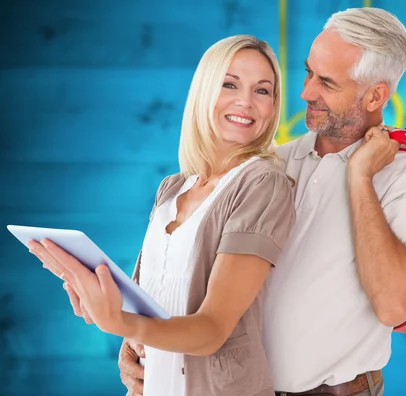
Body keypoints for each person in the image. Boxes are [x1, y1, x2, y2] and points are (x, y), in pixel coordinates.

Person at [119, 8, 406, 396]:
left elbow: (394, 306)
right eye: (308, 72)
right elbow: (193, 280)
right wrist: (146, 347)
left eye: (326, 82)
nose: (306, 92)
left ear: (375, 95)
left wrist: (360, 179)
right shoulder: (272, 163)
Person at [28, 35, 296, 396]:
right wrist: (99, 301)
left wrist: (122, 322)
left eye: (262, 91)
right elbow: (148, 307)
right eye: (229, 84)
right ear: (203, 90)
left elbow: (212, 330)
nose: (245, 101)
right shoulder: (172, 188)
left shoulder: (263, 183)